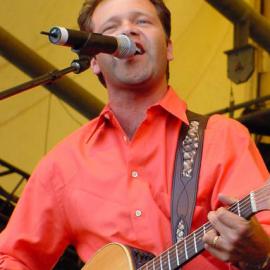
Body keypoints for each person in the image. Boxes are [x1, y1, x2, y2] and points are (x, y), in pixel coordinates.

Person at [0, 0, 270, 269]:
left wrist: (261, 253)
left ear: (169, 48)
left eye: (142, 21)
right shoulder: (63, 164)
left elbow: (265, 233)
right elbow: (9, 257)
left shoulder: (222, 138)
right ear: (94, 60)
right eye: (111, 28)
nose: (127, 31)